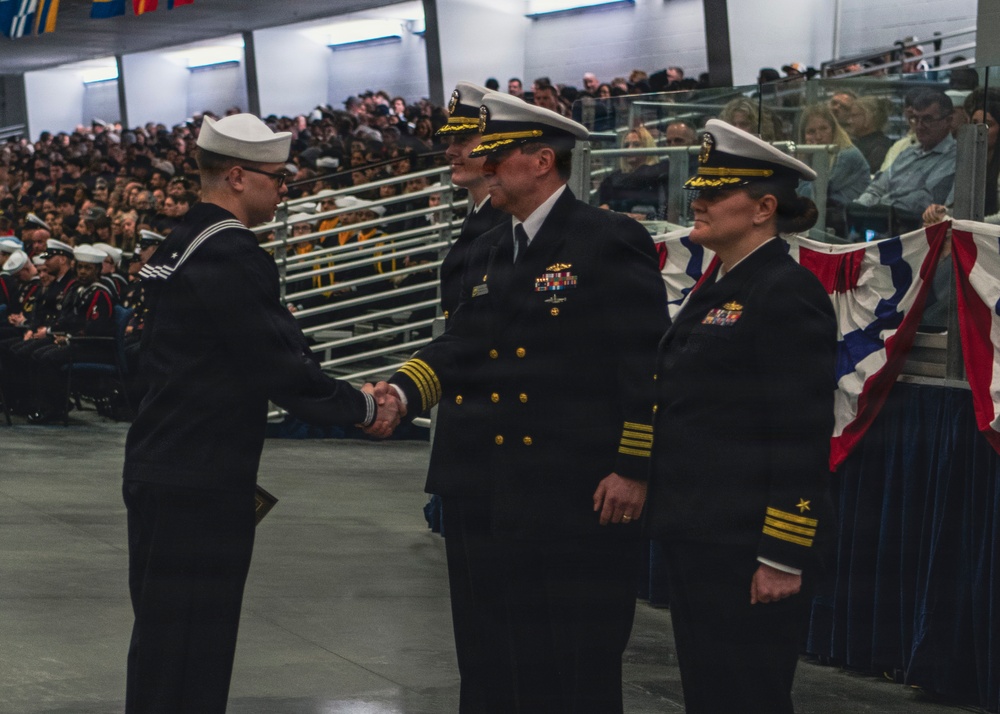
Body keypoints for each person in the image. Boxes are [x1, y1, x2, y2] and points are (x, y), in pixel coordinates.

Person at [382, 92, 668, 712]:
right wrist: (401, 392)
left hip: (573, 487)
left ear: (542, 161)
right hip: (496, 484)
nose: (483, 164)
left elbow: (646, 364)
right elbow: (464, 343)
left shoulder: (606, 238)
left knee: (574, 661)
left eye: (497, 153)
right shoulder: (493, 246)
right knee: (497, 655)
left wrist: (633, 467)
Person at [121, 113, 400, 714]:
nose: (285, 190)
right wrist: (364, 406)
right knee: (195, 645)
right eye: (279, 178)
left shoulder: (180, 240)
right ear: (238, 177)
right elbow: (280, 365)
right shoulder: (230, 251)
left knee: (164, 641)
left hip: (162, 461)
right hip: (201, 475)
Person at [645, 119, 837, 713]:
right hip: (701, 532)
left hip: (747, 542)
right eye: (699, 189)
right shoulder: (721, 285)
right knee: (710, 694)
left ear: (763, 209)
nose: (697, 202)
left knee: (747, 696)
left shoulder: (786, 291)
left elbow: (800, 432)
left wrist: (782, 553)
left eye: (716, 191)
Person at [419, 81, 511, 712]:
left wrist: (405, 389)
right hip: (471, 445)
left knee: (499, 628)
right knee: (476, 629)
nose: (453, 150)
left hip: (502, 452)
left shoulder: (511, 229)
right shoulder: (479, 223)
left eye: (467, 140)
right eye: (450, 140)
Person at [796, 103, 870, 207]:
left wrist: (811, 154)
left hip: (848, 213)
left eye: (823, 129)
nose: (818, 136)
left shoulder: (847, 155)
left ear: (834, 130)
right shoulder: (809, 156)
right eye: (811, 132)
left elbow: (814, 194)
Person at [598, 125, 669, 219]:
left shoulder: (659, 175)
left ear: (647, 147)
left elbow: (664, 211)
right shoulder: (613, 178)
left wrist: (647, 217)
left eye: (636, 144)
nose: (629, 149)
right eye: (626, 145)